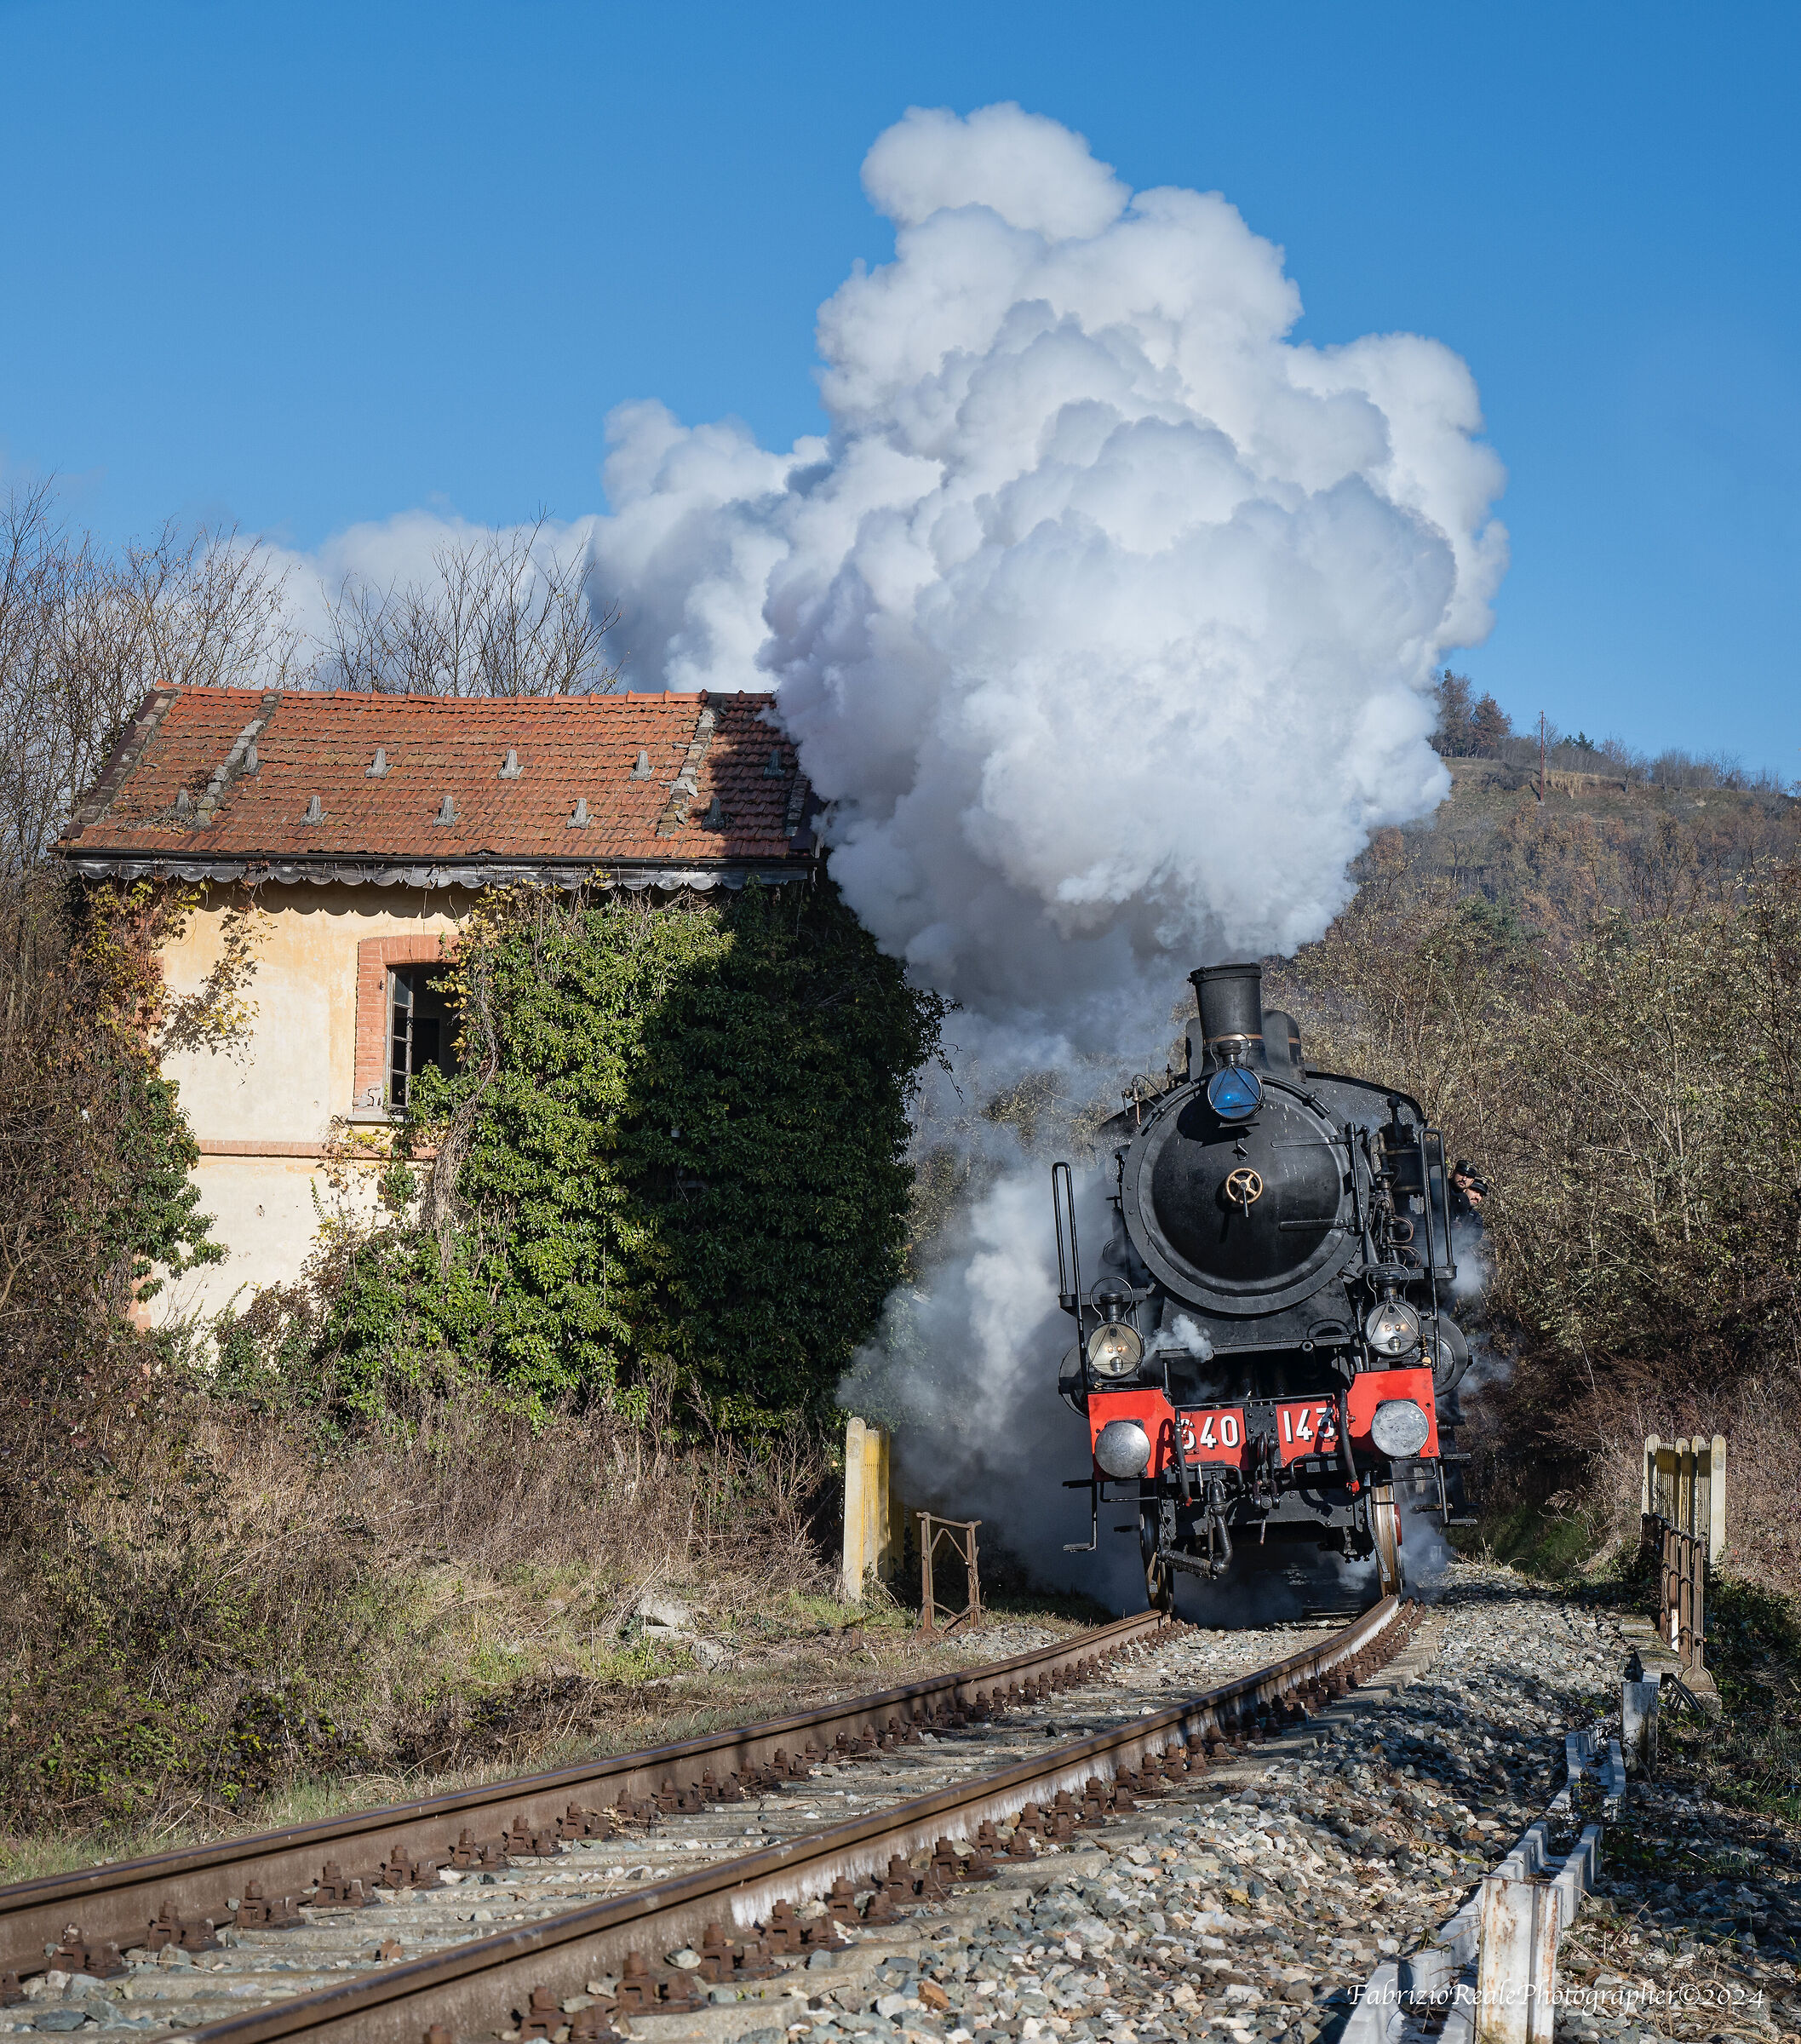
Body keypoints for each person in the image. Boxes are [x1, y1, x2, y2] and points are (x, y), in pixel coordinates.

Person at [1449, 1158, 1488, 1232]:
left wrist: (1459, 1230)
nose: (1464, 1179)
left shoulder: (1464, 1202)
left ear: (1471, 1181)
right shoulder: (1440, 1187)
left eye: (1481, 1195)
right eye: (1475, 1191)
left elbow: (1474, 1235)